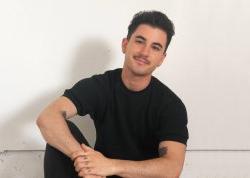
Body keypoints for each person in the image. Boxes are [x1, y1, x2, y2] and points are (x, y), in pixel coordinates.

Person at [36, 10, 189, 178]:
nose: (145, 52)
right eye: (140, 41)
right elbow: (47, 118)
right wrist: (82, 159)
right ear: (125, 44)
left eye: (155, 47)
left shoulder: (170, 105)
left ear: (161, 58)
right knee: (61, 135)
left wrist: (111, 166)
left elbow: (172, 168)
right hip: (98, 176)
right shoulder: (102, 86)